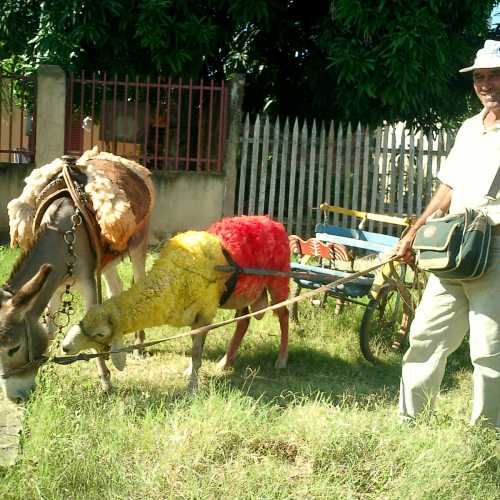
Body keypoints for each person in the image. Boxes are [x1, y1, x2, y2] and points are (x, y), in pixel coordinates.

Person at [395, 40, 500, 427]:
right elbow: (448, 187)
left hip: (496, 250)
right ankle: (410, 421)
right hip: (455, 249)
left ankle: (488, 434)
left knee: (490, 349)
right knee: (425, 336)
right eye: (480, 78)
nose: (487, 84)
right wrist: (415, 231)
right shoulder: (470, 128)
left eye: (494, 76)